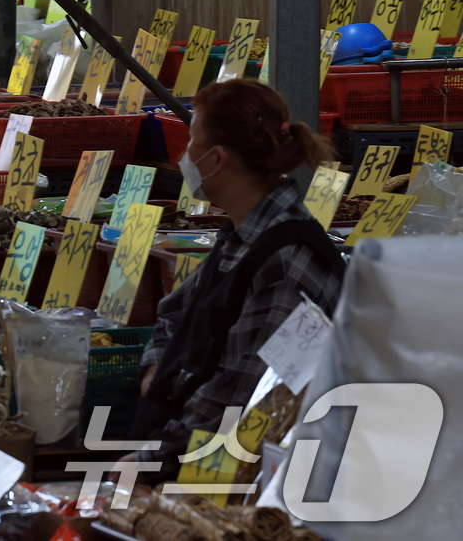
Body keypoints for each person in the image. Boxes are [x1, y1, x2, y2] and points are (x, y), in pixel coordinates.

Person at [127, 79, 346, 478]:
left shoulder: (287, 260)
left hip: (239, 471)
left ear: (217, 159)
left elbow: (242, 395)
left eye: (192, 139)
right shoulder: (241, 236)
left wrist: (148, 460)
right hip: (194, 446)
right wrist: (156, 373)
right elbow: (173, 314)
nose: (183, 155)